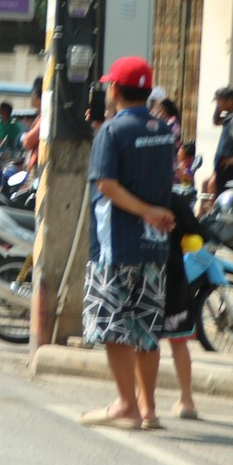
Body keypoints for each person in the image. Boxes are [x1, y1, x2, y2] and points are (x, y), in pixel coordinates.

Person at [79, 57, 181, 431]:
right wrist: (154, 213)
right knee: (146, 328)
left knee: (113, 326)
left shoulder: (111, 131)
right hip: (153, 247)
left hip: (115, 247)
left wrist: (146, 212)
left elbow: (106, 184)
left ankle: (125, 405)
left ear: (114, 90)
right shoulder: (165, 130)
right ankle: (147, 407)